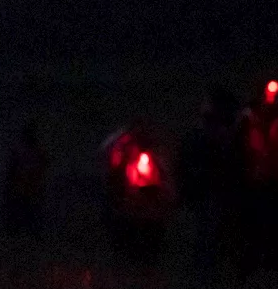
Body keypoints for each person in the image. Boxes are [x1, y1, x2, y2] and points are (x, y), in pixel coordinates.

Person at [233, 80, 278, 273]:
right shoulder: (245, 122)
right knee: (251, 232)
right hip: (252, 185)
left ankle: (274, 273)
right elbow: (235, 154)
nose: (270, 98)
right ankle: (249, 274)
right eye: (266, 93)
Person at [179, 86, 240, 272]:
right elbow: (186, 169)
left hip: (224, 195)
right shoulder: (196, 140)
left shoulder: (234, 142)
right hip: (204, 195)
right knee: (205, 235)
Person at [100, 119, 174, 263]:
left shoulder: (156, 156)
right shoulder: (120, 150)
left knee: (150, 252)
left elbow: (166, 184)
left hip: (150, 214)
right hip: (127, 213)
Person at [3, 121, 50, 241]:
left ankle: (25, 238)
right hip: (26, 187)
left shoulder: (27, 150)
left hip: (28, 187)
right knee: (25, 215)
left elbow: (12, 169)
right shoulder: (36, 150)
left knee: (28, 215)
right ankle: (22, 237)